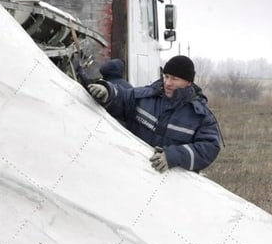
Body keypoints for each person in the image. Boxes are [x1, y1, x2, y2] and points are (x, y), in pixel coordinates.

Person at [86, 55, 222, 173]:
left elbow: (209, 148)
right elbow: (123, 97)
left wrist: (173, 156)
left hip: (166, 187)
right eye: (166, 76)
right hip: (129, 172)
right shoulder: (144, 97)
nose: (167, 83)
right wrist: (107, 91)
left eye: (174, 79)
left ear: (188, 83)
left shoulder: (201, 117)